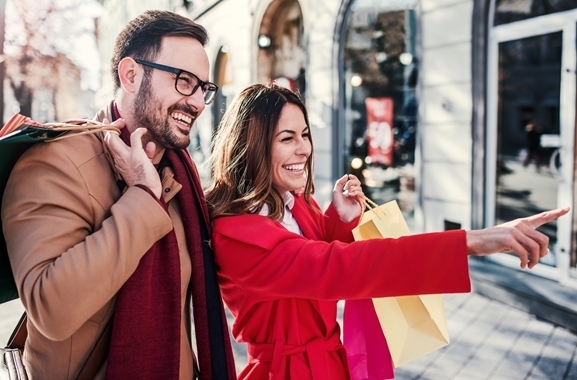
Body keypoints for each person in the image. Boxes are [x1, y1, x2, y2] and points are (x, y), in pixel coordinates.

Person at [204, 83, 569, 380]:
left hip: (330, 363)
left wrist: (340, 220)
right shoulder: (235, 234)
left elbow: (313, 257)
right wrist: (473, 242)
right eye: (287, 138)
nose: (304, 148)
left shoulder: (295, 202)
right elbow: (335, 268)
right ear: (251, 146)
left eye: (304, 134)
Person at [1, 10, 236, 380]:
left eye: (203, 88)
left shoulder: (178, 173)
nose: (197, 103)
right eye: (183, 81)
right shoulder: (53, 162)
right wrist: (142, 195)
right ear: (131, 75)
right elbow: (52, 310)